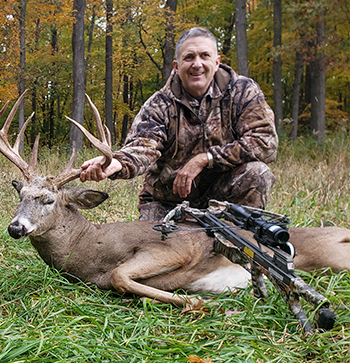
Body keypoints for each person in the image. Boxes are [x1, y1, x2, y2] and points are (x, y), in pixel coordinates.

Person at [80, 27, 278, 221]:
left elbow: (265, 142)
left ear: (216, 62)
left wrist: (205, 159)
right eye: (189, 57)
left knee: (257, 173)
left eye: (204, 56)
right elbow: (143, 147)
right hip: (168, 202)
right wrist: (116, 162)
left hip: (223, 199)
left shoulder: (242, 92)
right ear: (176, 66)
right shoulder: (159, 104)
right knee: (152, 249)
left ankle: (234, 237)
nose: (197, 64)